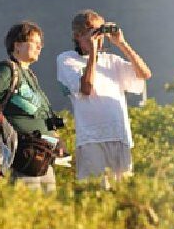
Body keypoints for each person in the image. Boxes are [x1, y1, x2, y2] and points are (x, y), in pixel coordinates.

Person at [56, 10, 151, 183]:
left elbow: (144, 74)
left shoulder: (112, 60)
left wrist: (122, 43)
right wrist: (92, 53)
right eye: (93, 32)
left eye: (101, 32)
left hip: (120, 136)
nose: (98, 38)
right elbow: (86, 88)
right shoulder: (66, 59)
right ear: (78, 35)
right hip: (91, 139)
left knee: (122, 195)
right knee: (95, 192)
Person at [0, 21, 59, 191]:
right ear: (17, 45)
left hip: (44, 155)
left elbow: (45, 112)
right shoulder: (7, 70)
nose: (39, 47)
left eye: (41, 44)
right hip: (24, 155)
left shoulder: (31, 75)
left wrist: (58, 137)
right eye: (34, 42)